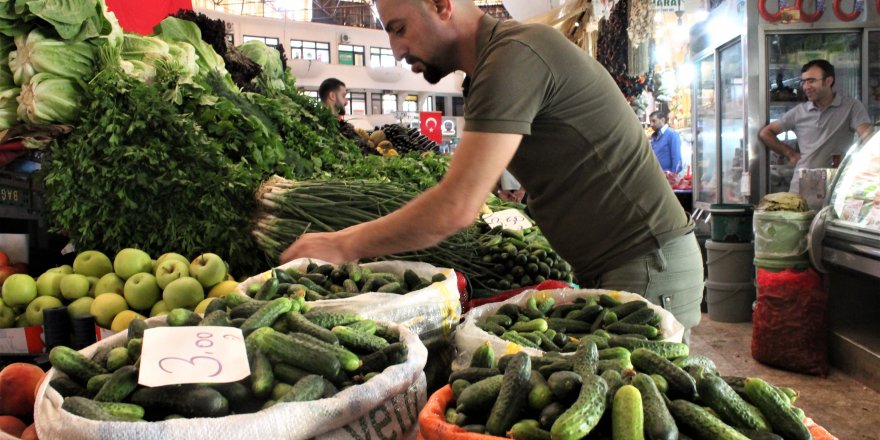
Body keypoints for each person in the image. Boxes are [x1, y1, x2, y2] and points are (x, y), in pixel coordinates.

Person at [281, 0, 703, 332]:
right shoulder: (493, 67)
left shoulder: (512, 58)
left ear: (440, 5)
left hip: (648, 264)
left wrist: (344, 244)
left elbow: (457, 205)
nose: (395, 49)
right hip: (624, 264)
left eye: (399, 28)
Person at [759, 59, 872, 192]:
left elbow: (867, 140)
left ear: (828, 81)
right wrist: (790, 153)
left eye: (811, 81)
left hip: (836, 186)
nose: (806, 86)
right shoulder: (800, 111)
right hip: (801, 188)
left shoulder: (851, 107)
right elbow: (766, 133)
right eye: (804, 82)